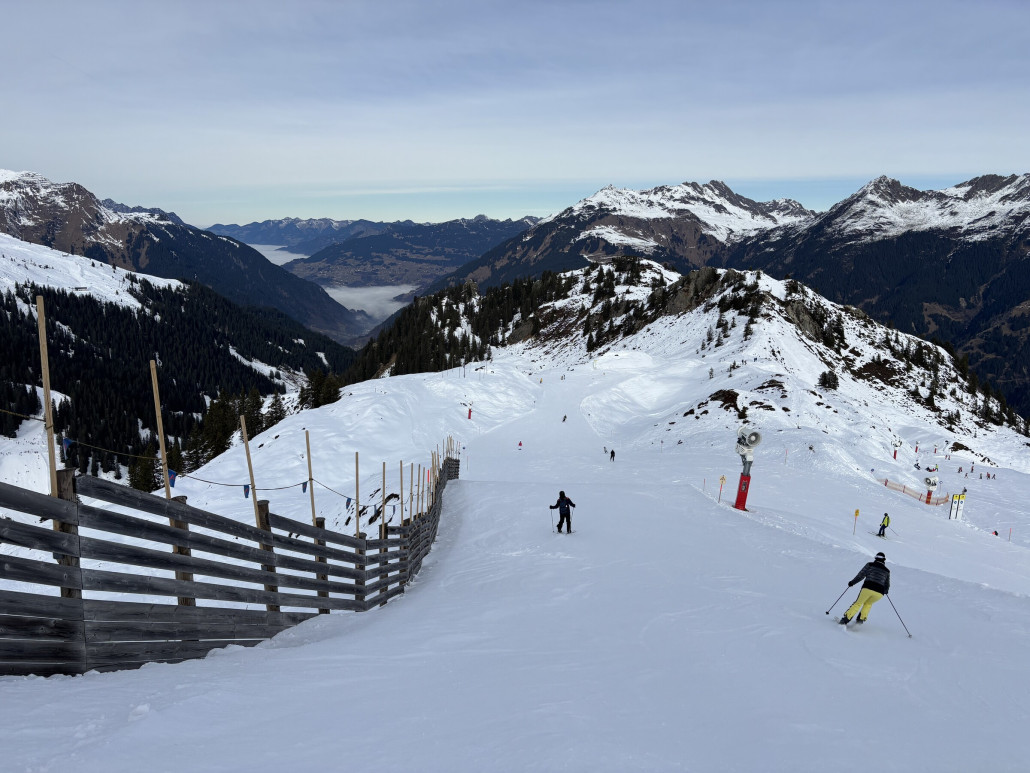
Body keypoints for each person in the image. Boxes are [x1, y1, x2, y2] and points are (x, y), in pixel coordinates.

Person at [840, 552, 890, 625]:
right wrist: (885, 590)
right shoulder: (887, 571)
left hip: (868, 588)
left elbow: (861, 575)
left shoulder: (870, 565)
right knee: (868, 604)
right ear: (884, 560)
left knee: (858, 603)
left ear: (876, 558)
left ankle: (845, 620)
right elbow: (887, 584)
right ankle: (860, 621)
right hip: (879, 593)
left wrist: (852, 582)